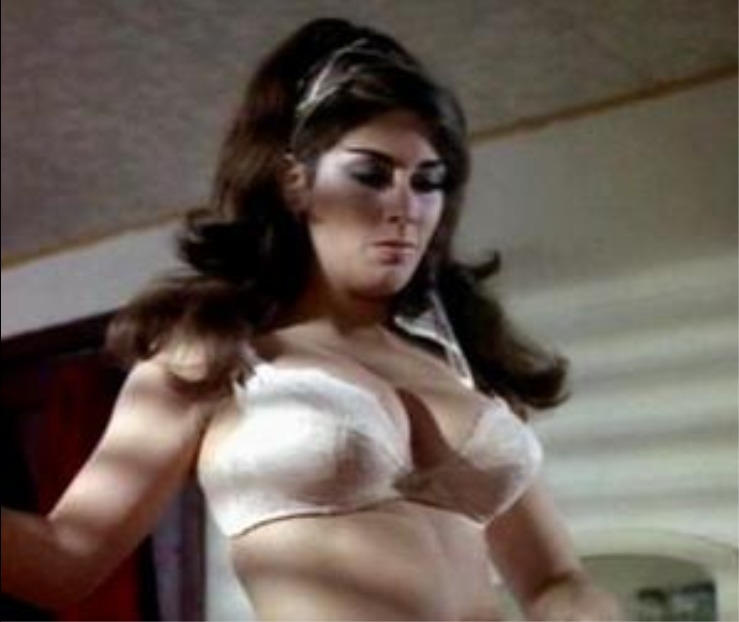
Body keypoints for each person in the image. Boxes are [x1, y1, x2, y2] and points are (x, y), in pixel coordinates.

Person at [1, 17, 621, 621]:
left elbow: (554, 580)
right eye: (372, 175)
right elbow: (63, 557)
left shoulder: (466, 369)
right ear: (295, 182)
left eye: (428, 181)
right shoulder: (214, 355)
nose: (406, 208)